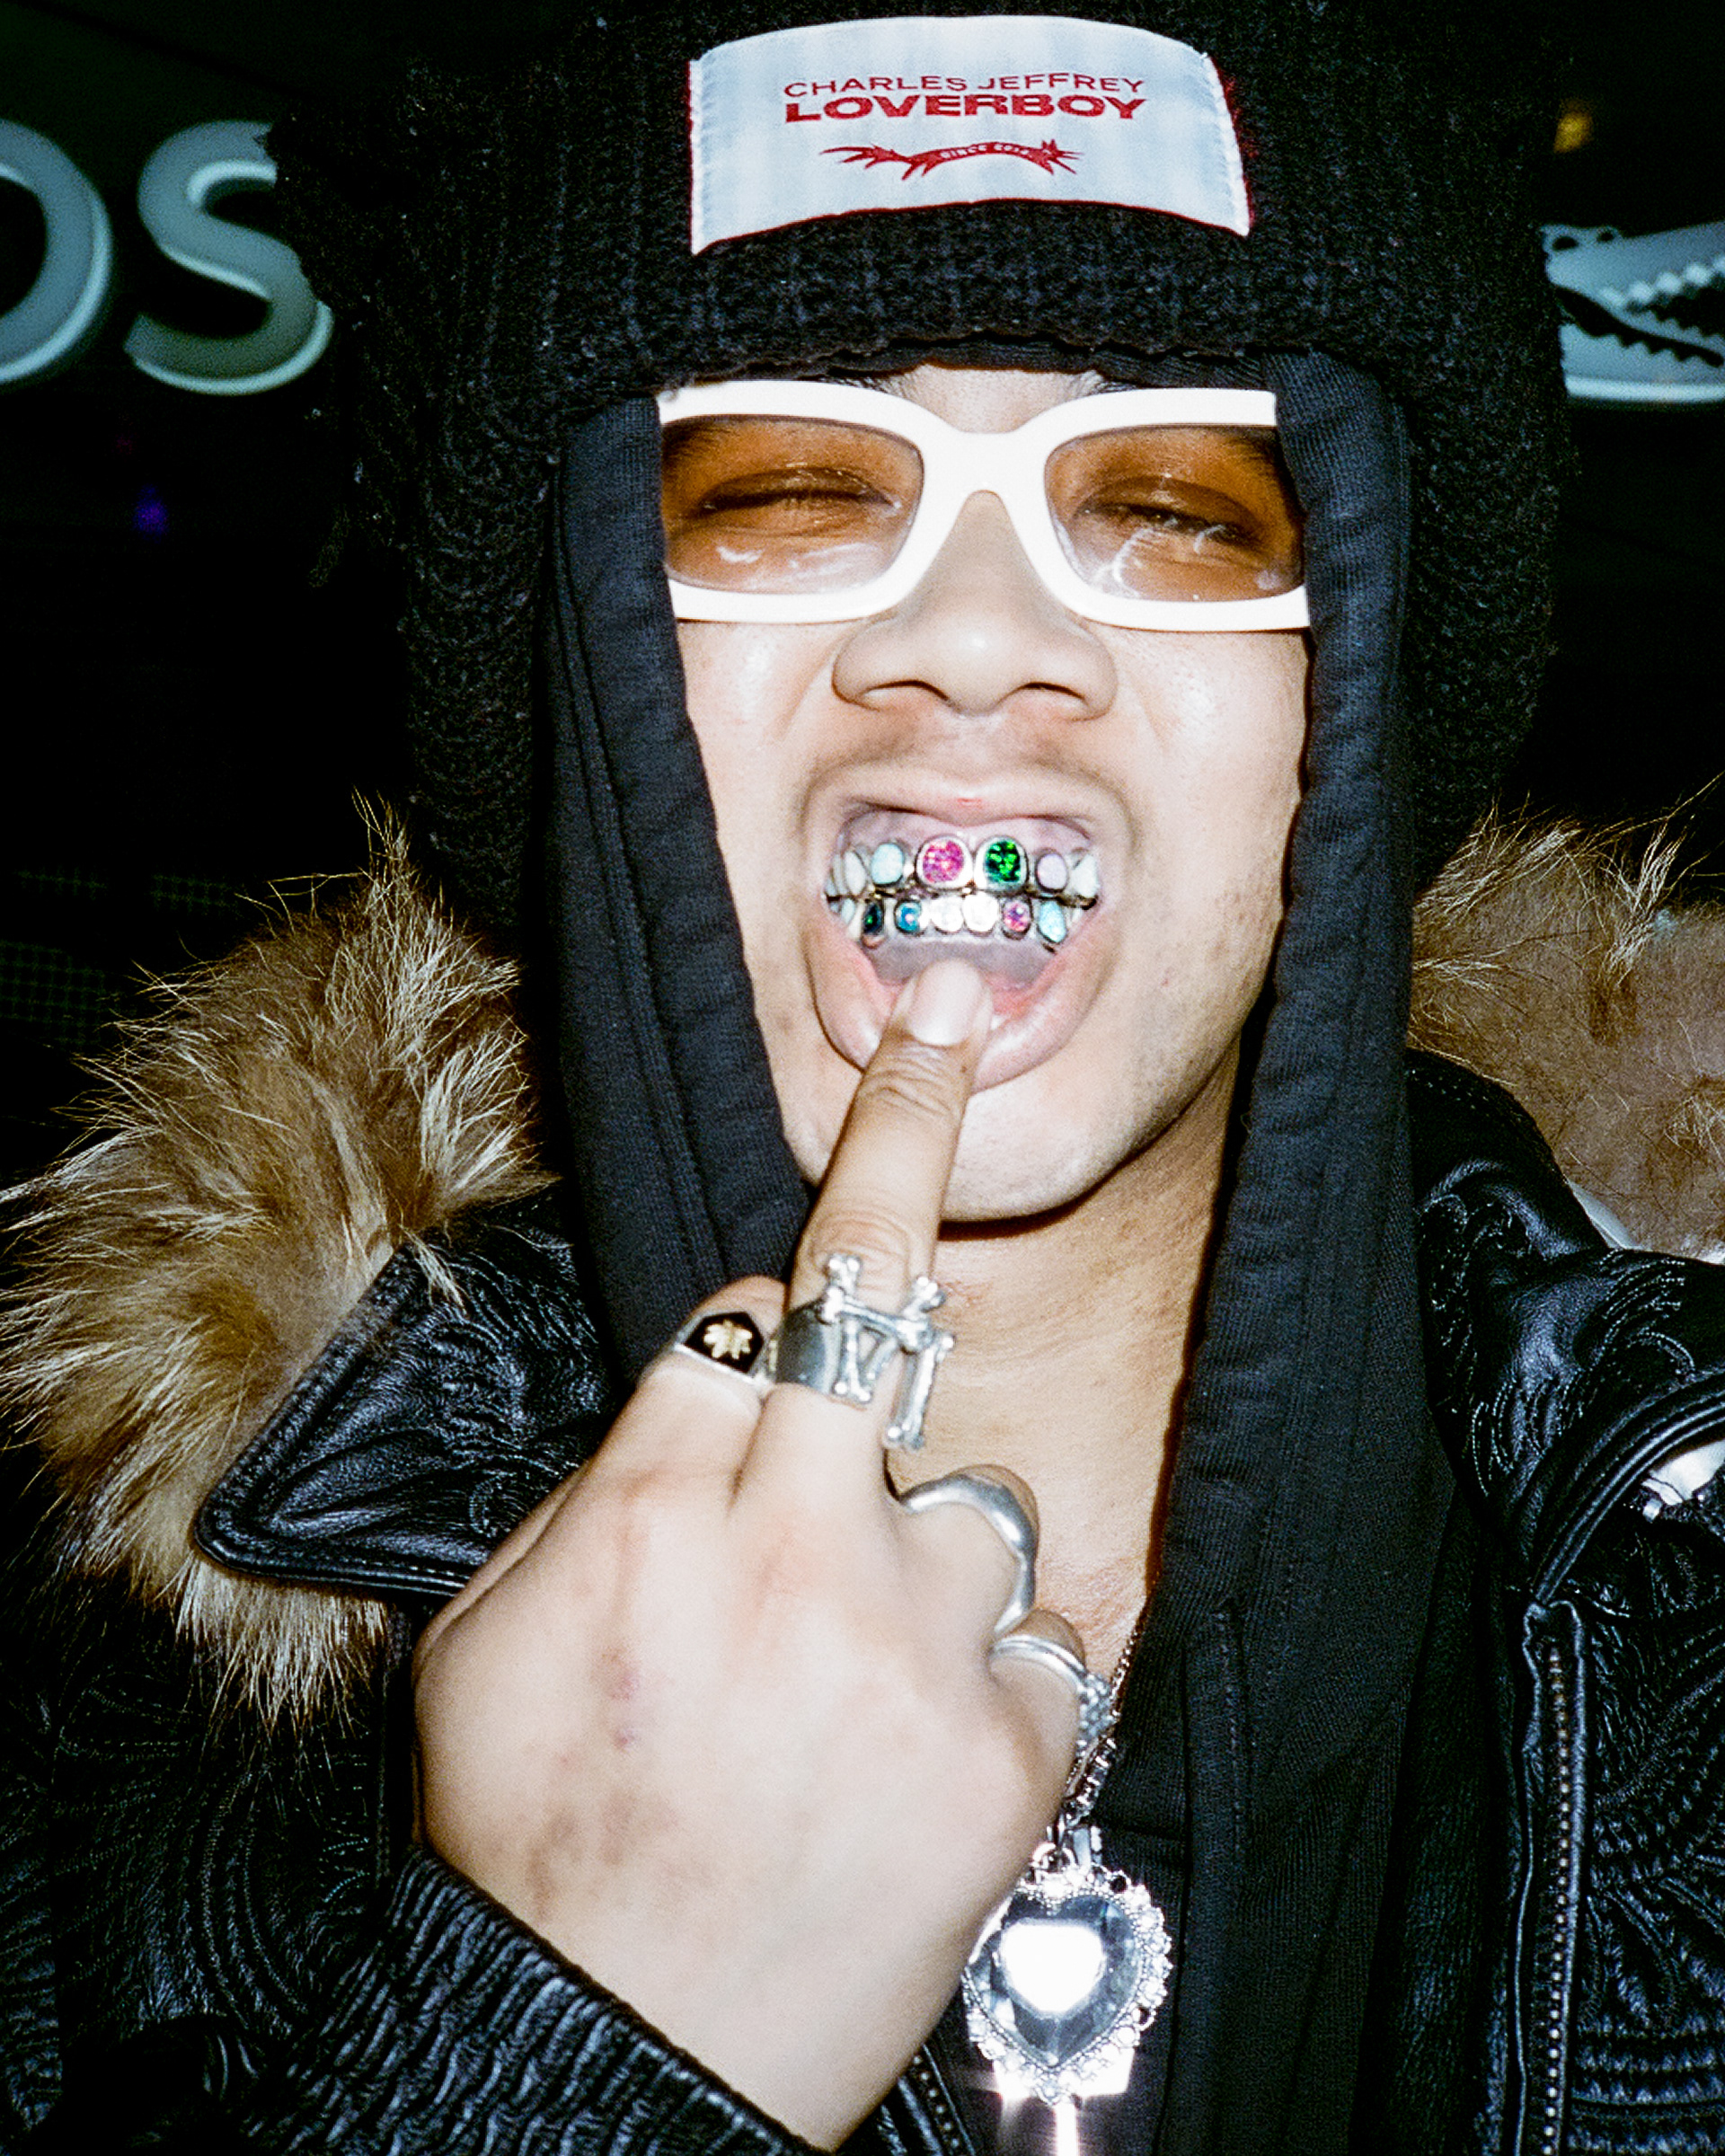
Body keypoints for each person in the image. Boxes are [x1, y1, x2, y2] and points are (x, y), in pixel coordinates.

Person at [6, 5, 1725, 2153]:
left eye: (1178, 501)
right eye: (790, 489)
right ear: (585, 658)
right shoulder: (111, 1731)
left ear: (1350, 685)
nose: (981, 637)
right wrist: (571, 2044)